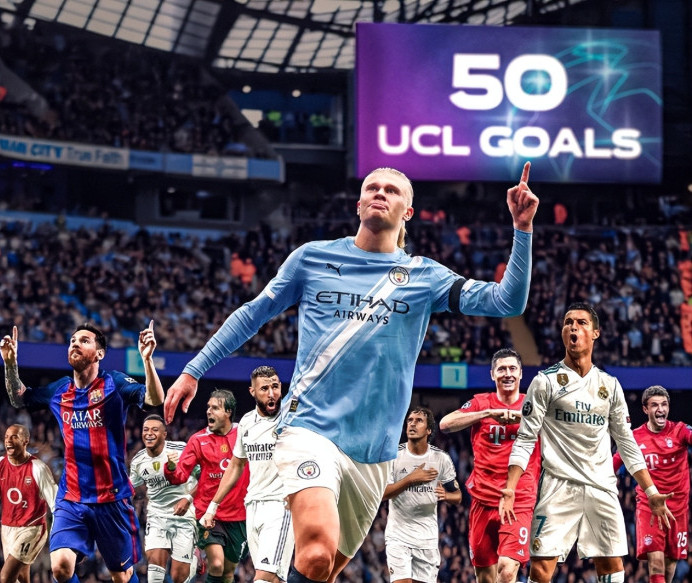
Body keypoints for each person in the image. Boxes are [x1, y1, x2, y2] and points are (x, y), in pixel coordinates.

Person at [165, 162, 539, 583]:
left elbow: (507, 302)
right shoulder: (312, 258)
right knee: (316, 553)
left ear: (408, 212)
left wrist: (522, 228)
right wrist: (194, 370)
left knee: (323, 571)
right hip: (309, 430)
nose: (380, 193)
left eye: (392, 190)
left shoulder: (426, 276)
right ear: (358, 204)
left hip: (374, 454)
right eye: (371, 187)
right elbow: (254, 313)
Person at [499, 303, 674, 583]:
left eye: (581, 322)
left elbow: (626, 443)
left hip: (601, 486)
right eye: (568, 322)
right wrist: (510, 488)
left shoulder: (609, 385)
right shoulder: (545, 382)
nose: (573, 327)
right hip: (558, 485)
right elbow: (526, 437)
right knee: (540, 569)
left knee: (612, 565)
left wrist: (651, 491)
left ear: (595, 333)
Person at [0, 322, 164, 583]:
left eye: (84, 340)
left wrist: (147, 360)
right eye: (73, 340)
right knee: (60, 567)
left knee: (122, 576)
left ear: (99, 353)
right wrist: (10, 363)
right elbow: (19, 398)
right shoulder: (59, 390)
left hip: (111, 497)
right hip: (72, 497)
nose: (75, 343)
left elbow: (154, 399)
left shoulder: (114, 383)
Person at [440, 348, 541, 583]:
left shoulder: (533, 405)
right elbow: (445, 424)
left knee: (507, 570)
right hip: (483, 500)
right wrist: (488, 413)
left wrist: (524, 418)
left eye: (512, 368)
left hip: (519, 499)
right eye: (501, 369)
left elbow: (559, 429)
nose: (508, 374)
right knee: (485, 578)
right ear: (492, 374)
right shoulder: (481, 402)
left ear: (521, 374)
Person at [200, 366, 294, 583]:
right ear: (252, 392)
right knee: (274, 578)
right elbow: (236, 465)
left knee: (264, 577)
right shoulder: (246, 422)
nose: (271, 393)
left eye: (275, 387)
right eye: (264, 389)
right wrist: (212, 507)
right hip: (252, 507)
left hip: (280, 506)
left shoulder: (291, 416)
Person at [164, 389, 250, 583]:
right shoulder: (198, 440)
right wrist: (171, 467)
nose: (209, 411)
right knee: (217, 565)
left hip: (240, 515)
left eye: (215, 408)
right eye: (208, 407)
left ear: (228, 412)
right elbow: (180, 475)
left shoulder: (245, 434)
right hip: (209, 513)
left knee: (228, 573)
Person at [612, 385, 692, 583]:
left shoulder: (680, 430)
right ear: (645, 409)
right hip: (649, 506)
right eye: (655, 405)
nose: (660, 409)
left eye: (664, 404)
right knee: (656, 562)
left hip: (678, 508)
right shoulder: (634, 438)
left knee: (670, 563)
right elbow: (613, 463)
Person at [382, 407, 461, 583]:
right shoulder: (394, 456)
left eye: (419, 421)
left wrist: (446, 496)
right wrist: (410, 479)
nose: (412, 424)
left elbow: (458, 496)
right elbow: (382, 494)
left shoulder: (441, 459)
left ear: (429, 430)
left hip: (427, 539)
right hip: (398, 536)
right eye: (410, 420)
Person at [0, 424, 58, 583]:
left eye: (14, 437)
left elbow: (56, 504)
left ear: (25, 441)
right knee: (20, 578)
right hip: (7, 529)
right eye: (6, 437)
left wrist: (58, 534)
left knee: (6, 576)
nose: (9, 441)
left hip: (32, 528)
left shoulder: (38, 468)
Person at [129, 414, 200, 583]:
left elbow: (205, 476)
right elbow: (129, 488)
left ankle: (195, 557)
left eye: (155, 429)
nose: (149, 433)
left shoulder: (181, 449)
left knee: (178, 577)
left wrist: (188, 498)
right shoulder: (138, 460)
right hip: (156, 516)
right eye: (146, 430)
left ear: (164, 434)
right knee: (154, 567)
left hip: (184, 516)